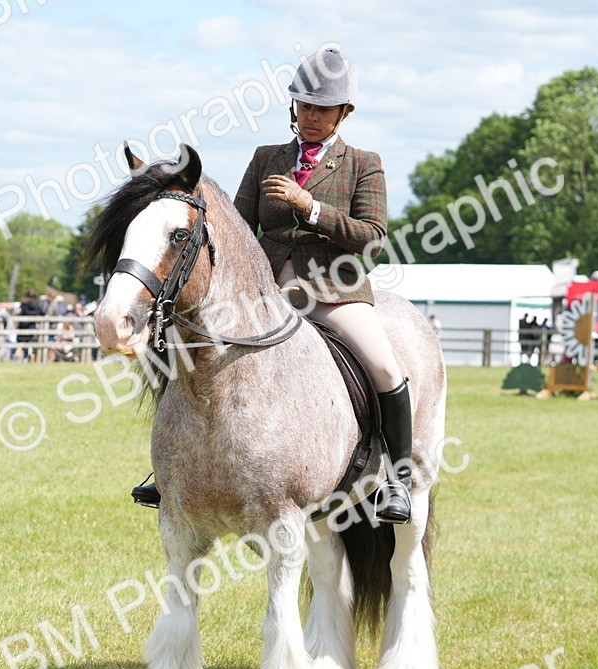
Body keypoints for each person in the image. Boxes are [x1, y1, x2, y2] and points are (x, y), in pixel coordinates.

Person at [131, 46, 414, 524]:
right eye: (304, 107)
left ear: (343, 113)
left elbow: (374, 238)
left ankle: (397, 478)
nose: (311, 117)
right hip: (264, 295)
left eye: (322, 109)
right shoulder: (267, 158)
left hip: (333, 290)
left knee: (385, 366)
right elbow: (238, 228)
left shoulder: (364, 163)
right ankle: (171, 469)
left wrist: (312, 209)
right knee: (183, 351)